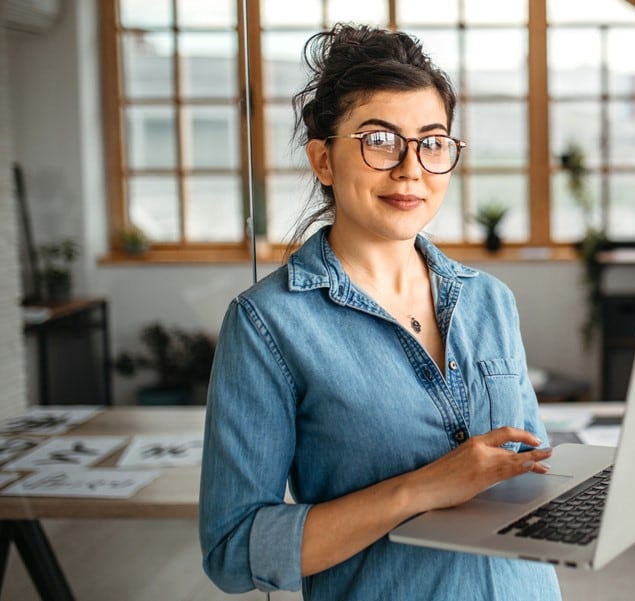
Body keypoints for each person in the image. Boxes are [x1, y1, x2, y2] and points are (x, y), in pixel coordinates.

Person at [199, 25, 560, 601]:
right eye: (380, 140)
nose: (411, 168)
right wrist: (420, 490)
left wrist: (601, 495)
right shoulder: (268, 325)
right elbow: (233, 550)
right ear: (323, 159)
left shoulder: (490, 299)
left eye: (433, 141)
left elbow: (525, 466)